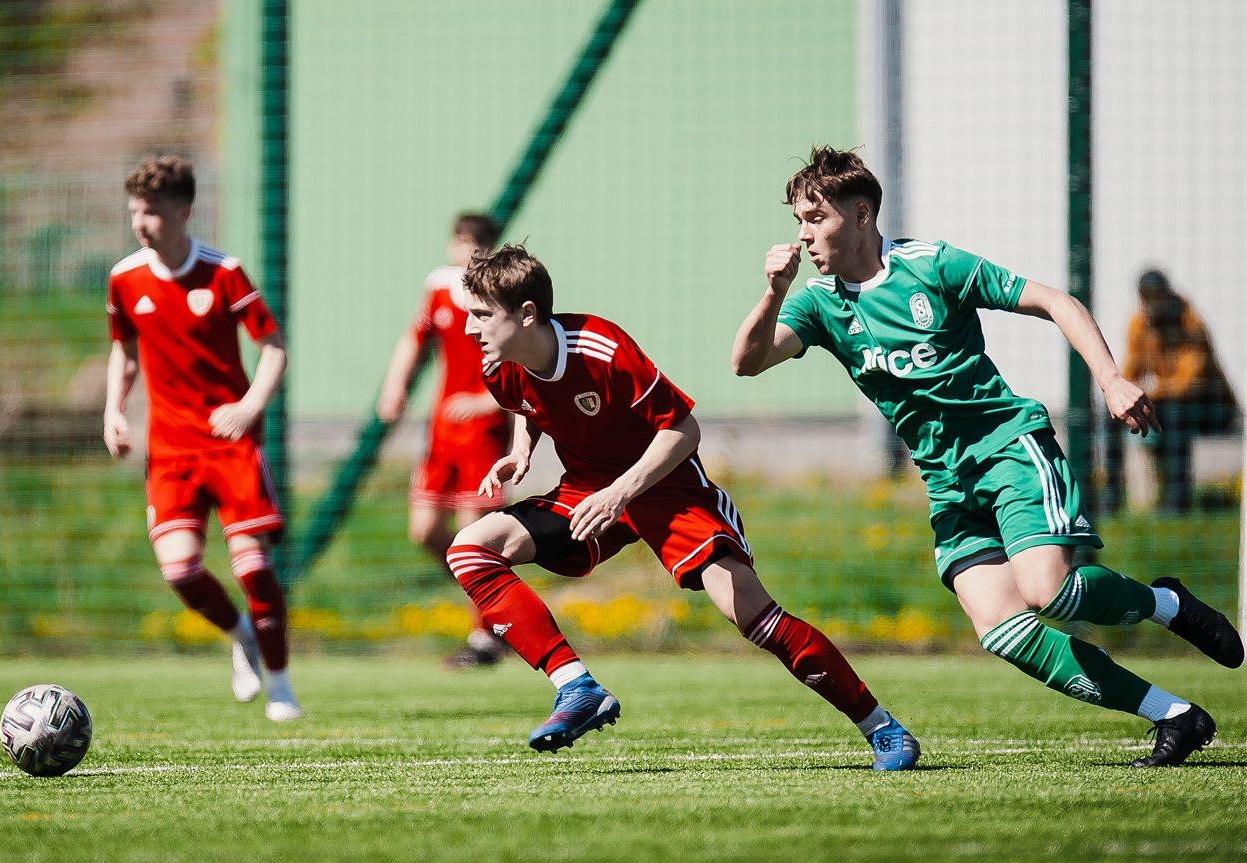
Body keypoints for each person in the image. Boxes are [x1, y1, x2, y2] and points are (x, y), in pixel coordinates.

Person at [733, 145, 1243, 767]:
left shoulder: (931, 266)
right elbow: (747, 362)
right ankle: (1176, 715)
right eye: (799, 222)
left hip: (1007, 450)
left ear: (861, 216)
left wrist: (1111, 379)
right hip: (947, 481)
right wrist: (772, 293)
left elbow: (1056, 302)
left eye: (816, 218)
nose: (804, 235)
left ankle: (1166, 604)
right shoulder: (819, 303)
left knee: (1048, 591)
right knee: (1003, 629)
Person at [446, 244, 920, 769]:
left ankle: (882, 727)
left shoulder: (601, 348)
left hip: (669, 490)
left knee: (753, 616)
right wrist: (521, 451)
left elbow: (683, 430)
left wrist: (620, 492)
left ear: (527, 314)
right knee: (471, 549)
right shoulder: (499, 367)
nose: (469, 327)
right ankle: (576, 687)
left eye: (481, 314)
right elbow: (527, 403)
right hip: (586, 490)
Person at [104, 155, 302, 721]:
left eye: (152, 212)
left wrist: (250, 405)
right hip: (170, 449)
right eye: (135, 211)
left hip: (231, 443)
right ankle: (242, 636)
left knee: (253, 568)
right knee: (179, 570)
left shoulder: (223, 272)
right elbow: (124, 351)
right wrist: (113, 410)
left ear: (183, 211)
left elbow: (273, 347)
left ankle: (281, 685)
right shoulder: (125, 278)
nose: (141, 223)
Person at [376, 214, 512, 668]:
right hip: (441, 433)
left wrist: (486, 401)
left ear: (489, 249)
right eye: (459, 241)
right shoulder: (438, 286)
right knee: (425, 530)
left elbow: (522, 360)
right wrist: (394, 386)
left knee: (476, 535)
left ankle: (486, 637)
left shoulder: (502, 294)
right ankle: (494, 598)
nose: (465, 251)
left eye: (475, 244)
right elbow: (414, 338)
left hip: (484, 434)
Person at [1103, 269, 1239, 513]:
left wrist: (1151, 391)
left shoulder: (1190, 323)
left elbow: (1188, 381)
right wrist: (1129, 394)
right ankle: (1109, 497)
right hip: (1167, 402)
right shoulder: (1139, 324)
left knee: (1176, 414)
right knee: (1113, 411)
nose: (1153, 305)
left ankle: (1177, 500)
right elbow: (1130, 374)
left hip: (1211, 407)